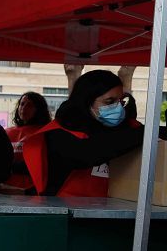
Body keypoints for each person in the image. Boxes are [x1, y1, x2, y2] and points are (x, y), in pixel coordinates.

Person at [23, 69, 162, 197]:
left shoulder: (127, 128)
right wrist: (147, 133)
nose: (118, 108)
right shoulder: (59, 132)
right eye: (110, 101)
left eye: (120, 101)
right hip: (66, 215)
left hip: (114, 213)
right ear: (86, 101)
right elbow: (86, 154)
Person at [4, 92, 52, 190]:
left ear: (39, 110)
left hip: (31, 190)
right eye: (22, 104)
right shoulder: (8, 132)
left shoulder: (46, 133)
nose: (23, 108)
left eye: (29, 105)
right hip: (6, 188)